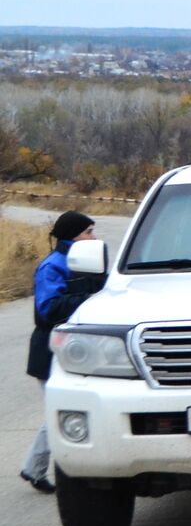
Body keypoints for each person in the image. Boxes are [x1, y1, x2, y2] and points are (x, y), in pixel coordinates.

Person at [22, 211, 104, 493]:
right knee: (59, 414)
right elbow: (48, 309)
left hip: (78, 349)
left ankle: (33, 468)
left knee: (62, 412)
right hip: (49, 350)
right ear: (73, 236)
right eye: (88, 232)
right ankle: (34, 468)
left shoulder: (87, 263)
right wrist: (91, 299)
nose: (94, 238)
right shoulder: (53, 267)